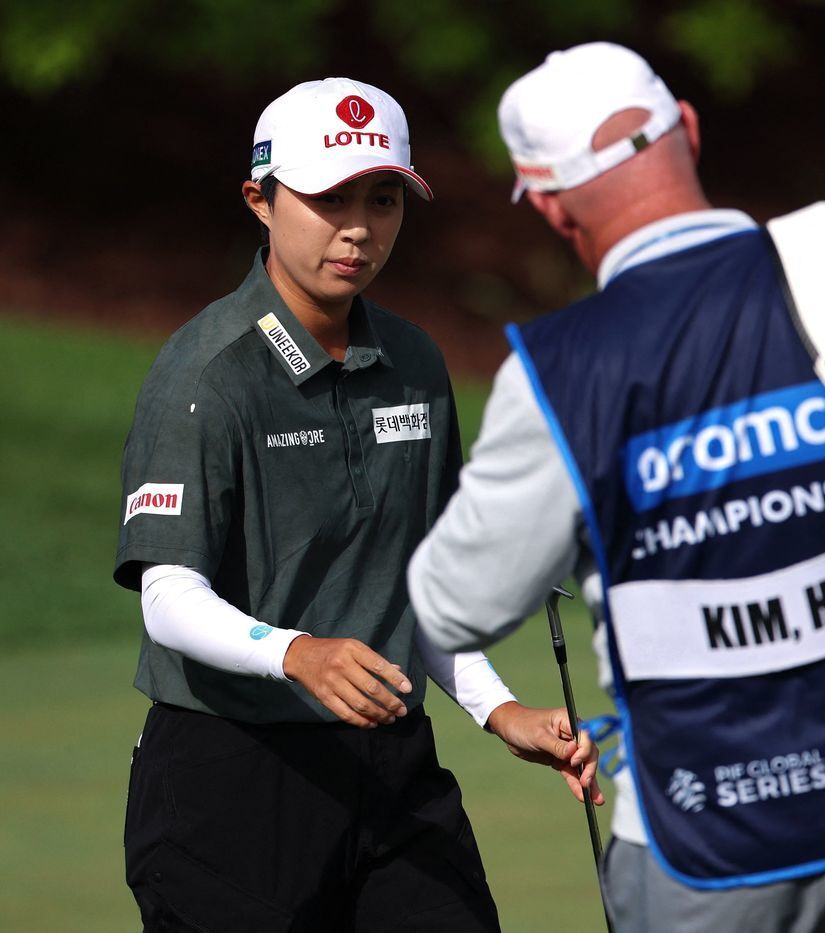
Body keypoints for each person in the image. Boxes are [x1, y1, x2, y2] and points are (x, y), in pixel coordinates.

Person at [408, 43, 825, 932]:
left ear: (551, 206)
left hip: (707, 853)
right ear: (691, 131)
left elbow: (452, 608)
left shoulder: (556, 372)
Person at [115, 77, 600, 932]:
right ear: (260, 200)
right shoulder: (204, 375)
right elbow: (168, 598)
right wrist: (297, 651)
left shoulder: (414, 361)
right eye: (328, 196)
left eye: (382, 199)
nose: (358, 226)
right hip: (231, 777)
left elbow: (419, 587)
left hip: (392, 772)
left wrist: (501, 711)